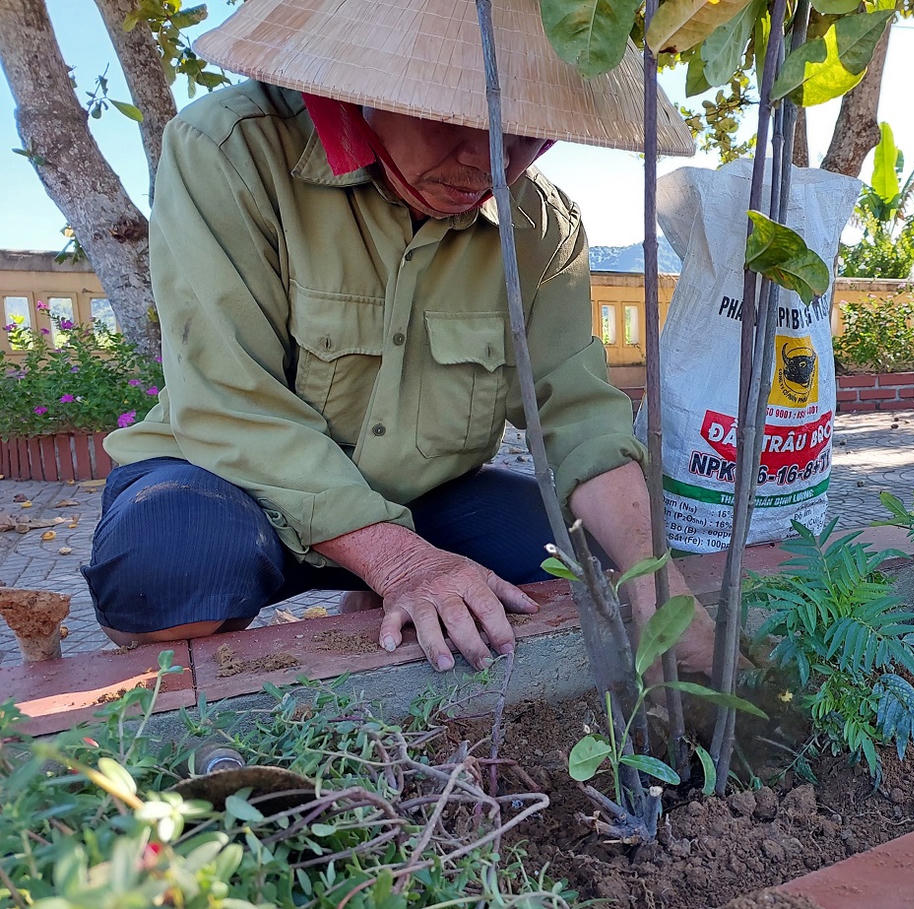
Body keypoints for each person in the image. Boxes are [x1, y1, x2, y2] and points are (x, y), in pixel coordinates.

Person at [82, 0, 715, 674]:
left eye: (527, 129)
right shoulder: (230, 148)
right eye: (458, 117)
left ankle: (374, 618)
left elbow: (580, 415)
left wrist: (664, 591)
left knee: (564, 552)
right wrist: (401, 563)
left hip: (417, 496)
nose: (490, 159)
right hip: (227, 481)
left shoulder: (543, 226)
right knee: (174, 568)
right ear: (369, 83)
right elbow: (232, 401)